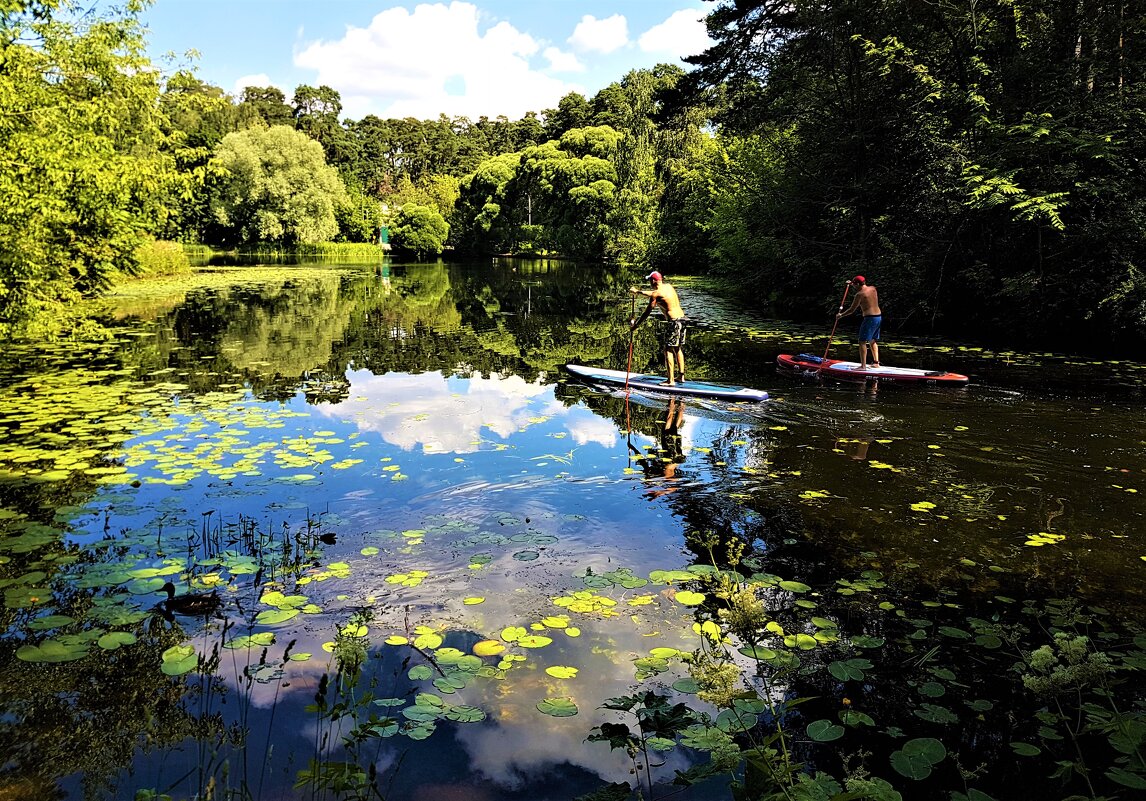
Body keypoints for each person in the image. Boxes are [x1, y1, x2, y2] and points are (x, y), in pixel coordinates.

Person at [630, 271, 687, 385]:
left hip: (674, 322)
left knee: (668, 349)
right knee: (677, 348)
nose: (649, 282)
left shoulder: (656, 295)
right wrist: (638, 292)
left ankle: (670, 381)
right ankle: (681, 376)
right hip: (683, 319)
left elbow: (647, 312)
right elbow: (652, 293)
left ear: (653, 281)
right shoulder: (668, 287)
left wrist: (636, 325)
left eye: (650, 280)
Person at [836, 275, 882, 369]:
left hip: (870, 318)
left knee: (862, 341)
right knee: (872, 340)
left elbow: (852, 310)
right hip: (878, 317)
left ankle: (863, 366)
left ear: (858, 284)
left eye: (854, 285)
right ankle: (876, 363)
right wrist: (851, 283)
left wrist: (841, 315)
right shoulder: (873, 288)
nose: (853, 286)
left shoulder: (859, 295)